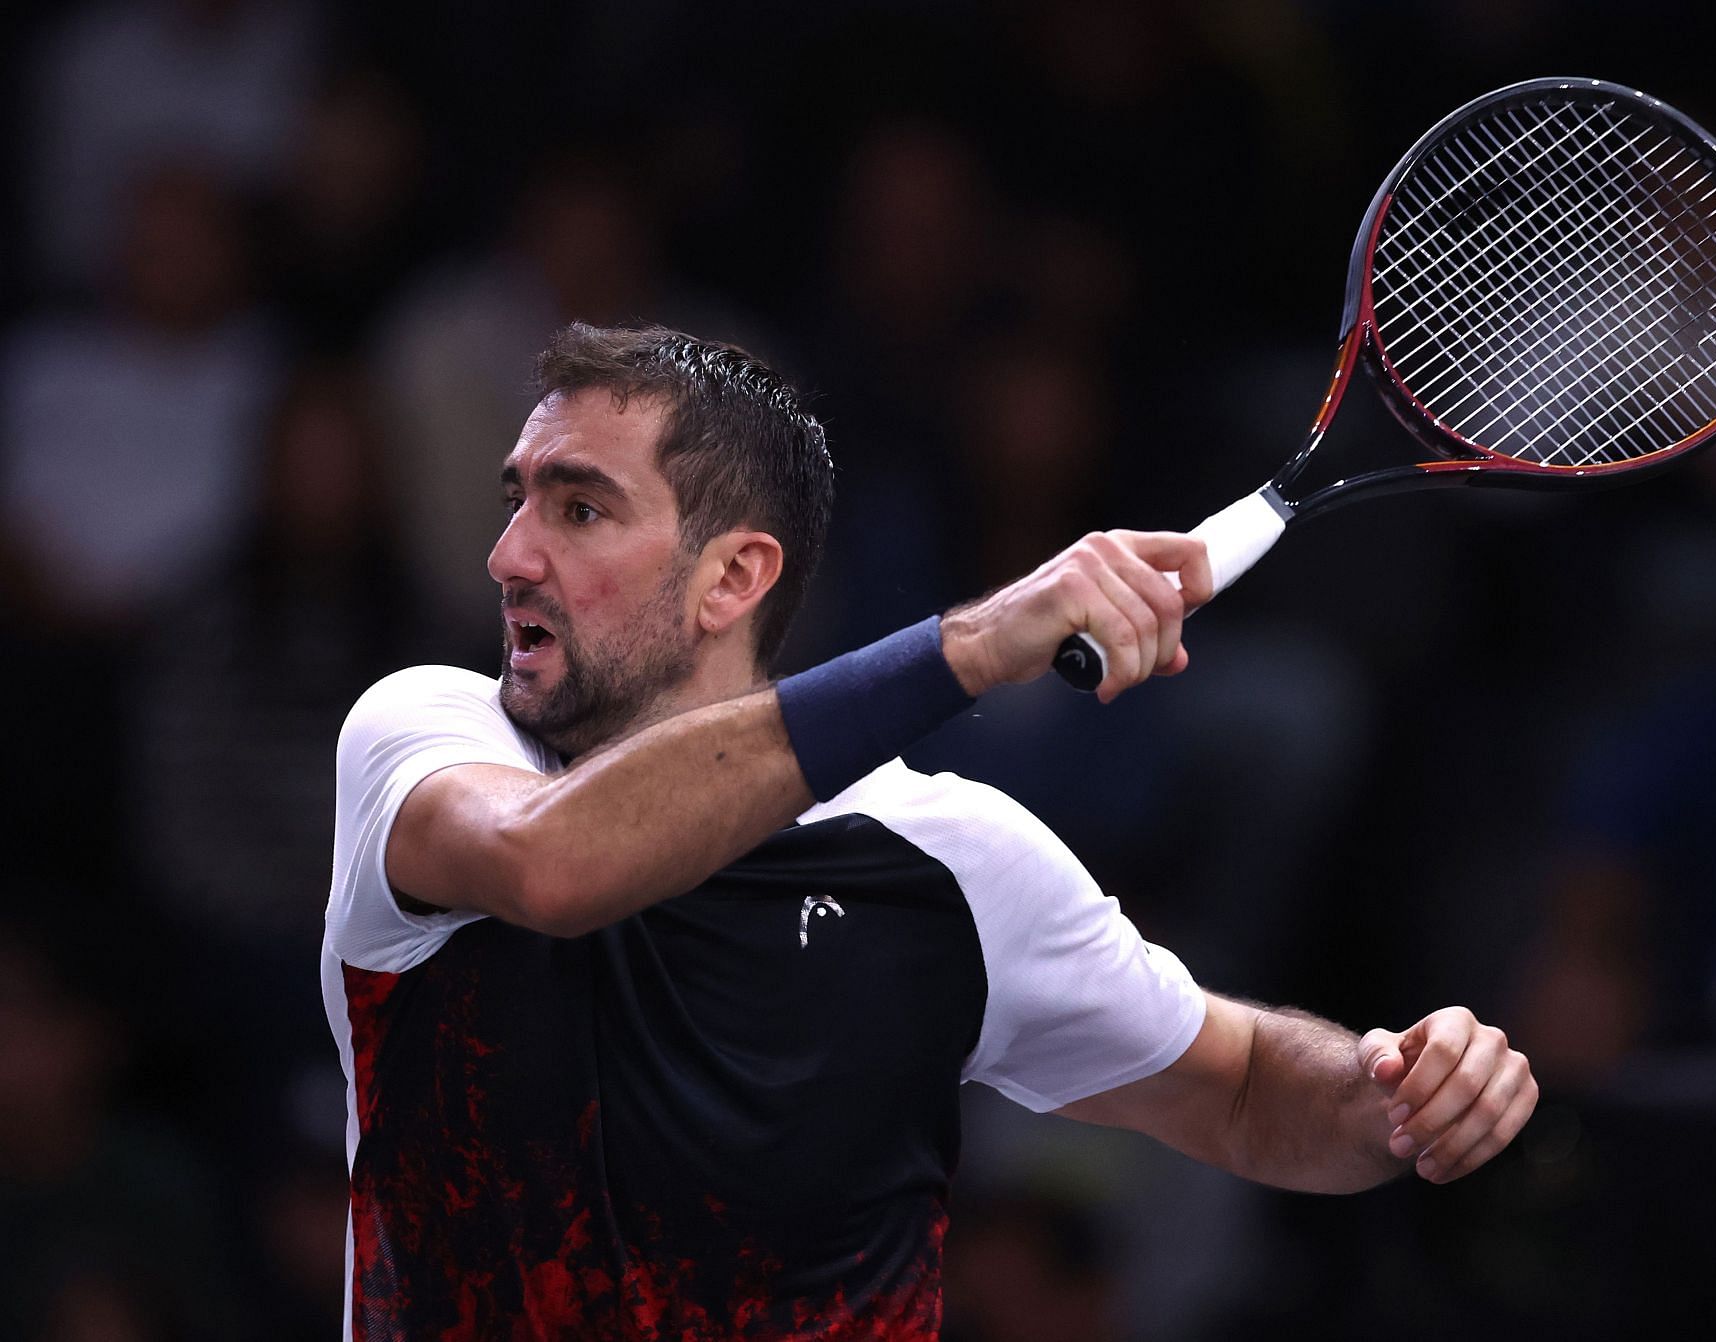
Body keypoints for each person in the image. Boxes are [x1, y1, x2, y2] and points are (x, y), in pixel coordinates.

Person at [324, 322, 1537, 1339]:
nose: (507, 556)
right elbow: (552, 863)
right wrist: (969, 645)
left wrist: (1394, 1088)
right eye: (516, 502)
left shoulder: (951, 860)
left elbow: (1242, 1088)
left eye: (579, 509)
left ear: (733, 578)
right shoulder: (427, 736)